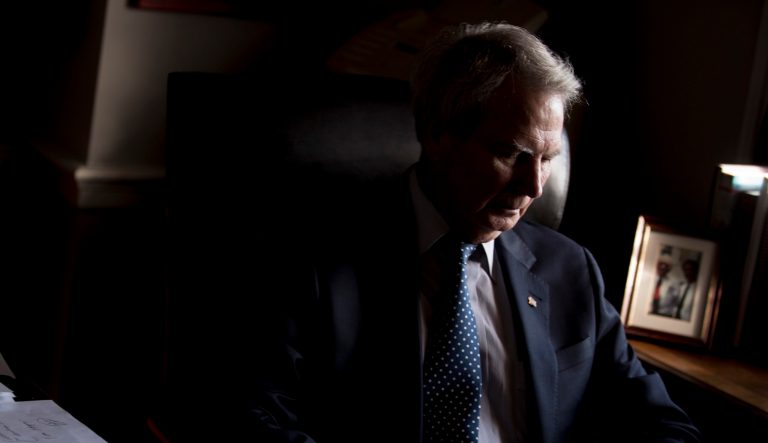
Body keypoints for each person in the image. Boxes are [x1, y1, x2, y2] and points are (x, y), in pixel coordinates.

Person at [250, 22, 701, 443]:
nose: (534, 186)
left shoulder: (570, 269)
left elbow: (656, 419)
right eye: (511, 153)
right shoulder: (313, 261)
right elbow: (258, 418)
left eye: (548, 159)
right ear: (436, 134)